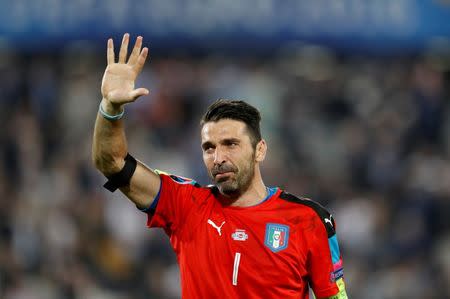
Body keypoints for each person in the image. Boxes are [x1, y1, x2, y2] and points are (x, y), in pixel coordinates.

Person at [92, 33, 348, 299]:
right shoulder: (186, 206)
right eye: (209, 148)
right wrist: (110, 108)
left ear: (259, 150)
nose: (218, 157)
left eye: (231, 144)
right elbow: (112, 163)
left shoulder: (309, 220)